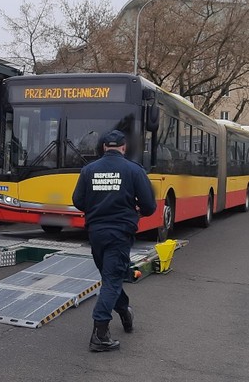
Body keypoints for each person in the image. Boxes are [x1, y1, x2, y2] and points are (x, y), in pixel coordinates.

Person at [72, 130, 157, 352]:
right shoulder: (134, 170)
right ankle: (99, 335)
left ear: (103, 148)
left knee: (110, 277)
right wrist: (136, 208)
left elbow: (78, 201)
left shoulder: (88, 170)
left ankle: (124, 311)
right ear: (123, 147)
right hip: (120, 233)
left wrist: (97, 206)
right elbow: (150, 206)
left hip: (96, 234)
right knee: (112, 279)